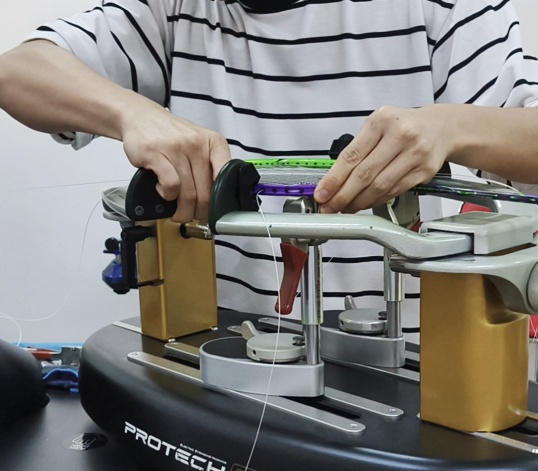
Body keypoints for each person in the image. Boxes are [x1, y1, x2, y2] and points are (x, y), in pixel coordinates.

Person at [0, 0, 538, 336]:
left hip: (419, 359)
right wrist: (133, 113)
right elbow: (17, 72)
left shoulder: (443, 8)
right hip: (232, 353)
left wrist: (452, 128)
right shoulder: (172, 10)